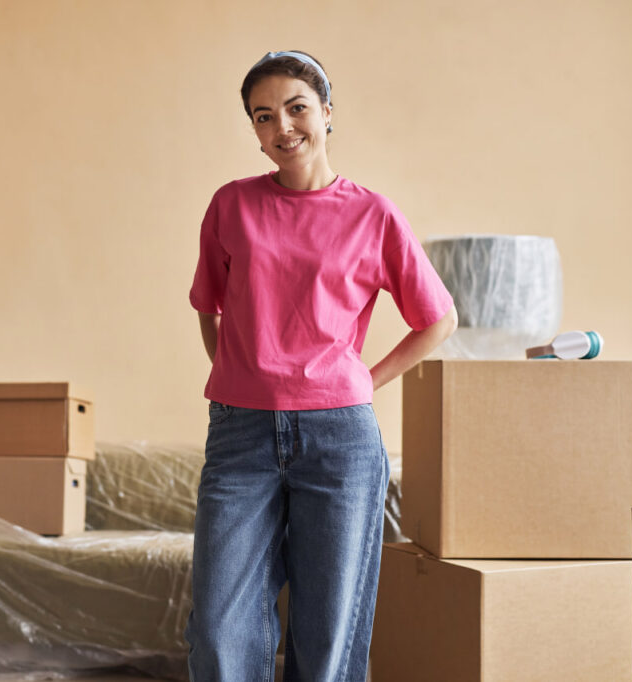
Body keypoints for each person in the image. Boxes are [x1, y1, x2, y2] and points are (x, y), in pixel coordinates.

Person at [185, 50, 458, 681]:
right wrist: (238, 372)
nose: (282, 126)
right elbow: (209, 306)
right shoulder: (230, 205)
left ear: (327, 113)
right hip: (239, 434)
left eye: (296, 107)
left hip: (340, 437)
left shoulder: (374, 214)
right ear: (254, 131)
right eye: (263, 116)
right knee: (219, 627)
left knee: (330, 627)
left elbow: (436, 319)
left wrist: (367, 379)